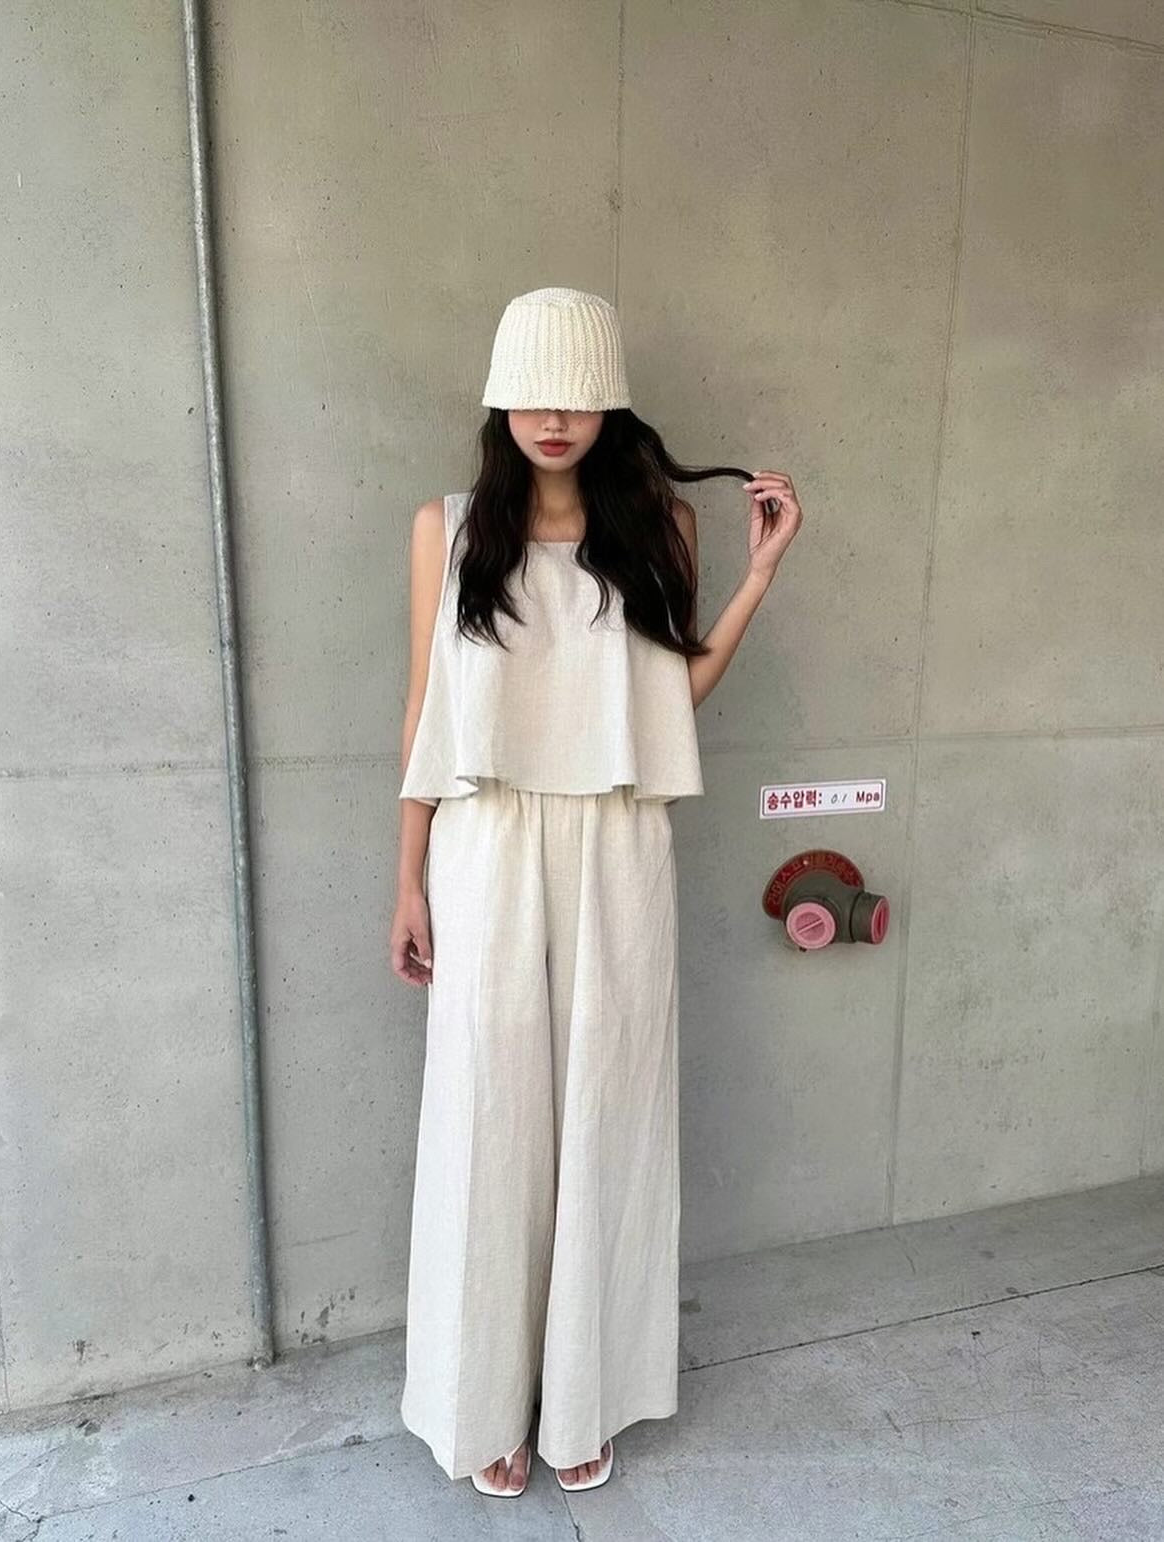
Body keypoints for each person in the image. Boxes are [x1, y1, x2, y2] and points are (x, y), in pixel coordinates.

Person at [389, 287, 802, 1497]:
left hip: (617, 840)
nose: (551, 416)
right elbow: (423, 711)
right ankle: (481, 1402)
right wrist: (406, 877)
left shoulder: (658, 524)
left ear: (608, 401)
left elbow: (670, 696)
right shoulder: (447, 528)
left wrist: (757, 576)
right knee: (486, 1118)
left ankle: (583, 1397)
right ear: (500, 400)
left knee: (608, 1111)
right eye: (530, 392)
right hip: (484, 841)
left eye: (574, 393)